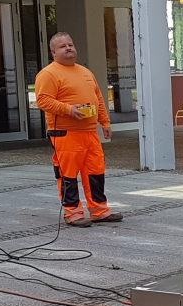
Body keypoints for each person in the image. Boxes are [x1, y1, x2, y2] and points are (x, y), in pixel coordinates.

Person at [35, 32, 123, 227]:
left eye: (70, 44)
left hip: (90, 133)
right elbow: (42, 100)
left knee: (95, 172)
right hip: (65, 133)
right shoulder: (49, 74)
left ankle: (99, 210)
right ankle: (73, 213)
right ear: (53, 52)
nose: (68, 48)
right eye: (63, 46)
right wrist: (68, 109)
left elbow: (98, 99)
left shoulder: (85, 72)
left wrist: (105, 123)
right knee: (68, 174)